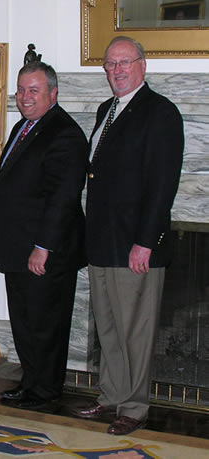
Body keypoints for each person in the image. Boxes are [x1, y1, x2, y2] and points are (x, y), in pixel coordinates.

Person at [72, 36, 184, 435]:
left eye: (123, 63)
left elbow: (162, 184)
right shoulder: (107, 109)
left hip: (136, 243)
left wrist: (146, 240)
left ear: (142, 65)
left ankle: (134, 408)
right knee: (109, 327)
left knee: (135, 330)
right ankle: (111, 395)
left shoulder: (161, 113)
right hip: (102, 241)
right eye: (109, 64)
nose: (115, 70)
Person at [0, 61, 88, 409]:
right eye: (20, 90)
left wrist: (42, 248)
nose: (24, 97)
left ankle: (46, 391)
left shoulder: (65, 134)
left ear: (53, 93)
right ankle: (31, 383)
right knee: (26, 324)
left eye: (33, 90)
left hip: (44, 252)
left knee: (46, 326)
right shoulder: (25, 127)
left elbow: (62, 199)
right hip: (17, 248)